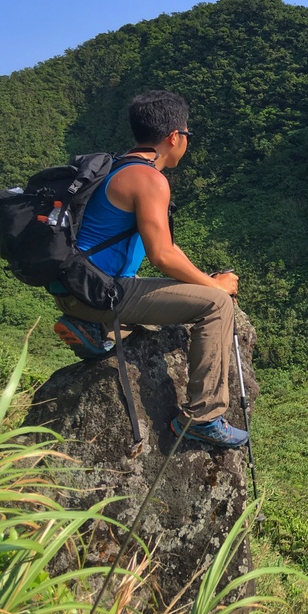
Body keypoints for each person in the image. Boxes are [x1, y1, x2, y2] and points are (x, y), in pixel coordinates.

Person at [51, 90, 248, 448]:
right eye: (187, 135)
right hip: (102, 292)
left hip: (79, 288)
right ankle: (202, 418)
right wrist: (215, 287)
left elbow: (168, 246)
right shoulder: (150, 180)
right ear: (175, 136)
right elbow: (162, 256)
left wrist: (205, 279)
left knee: (184, 296)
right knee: (215, 306)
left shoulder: (116, 166)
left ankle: (98, 331)